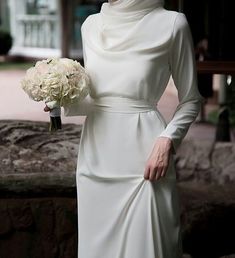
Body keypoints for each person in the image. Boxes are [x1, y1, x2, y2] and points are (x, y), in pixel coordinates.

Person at [45, 0, 204, 257]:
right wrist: (62, 98)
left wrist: (167, 141)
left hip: (145, 157)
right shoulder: (91, 25)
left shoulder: (173, 23)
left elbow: (191, 100)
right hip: (96, 157)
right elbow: (99, 99)